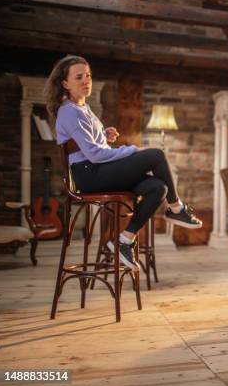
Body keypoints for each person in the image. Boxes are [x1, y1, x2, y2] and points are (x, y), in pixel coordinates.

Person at [47, 55, 202, 271]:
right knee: (155, 155)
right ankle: (176, 209)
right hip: (88, 176)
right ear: (65, 83)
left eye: (88, 76)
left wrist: (103, 133)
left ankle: (124, 240)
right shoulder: (69, 111)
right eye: (79, 77)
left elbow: (91, 145)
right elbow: (95, 155)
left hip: (97, 171)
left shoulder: (83, 108)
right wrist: (132, 150)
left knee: (158, 187)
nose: (86, 81)